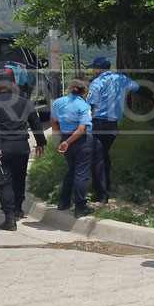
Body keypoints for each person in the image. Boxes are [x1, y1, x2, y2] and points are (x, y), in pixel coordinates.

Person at [0, 71, 46, 231]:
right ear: (13, 86)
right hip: (21, 148)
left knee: (4, 182)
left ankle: (9, 219)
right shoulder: (24, 102)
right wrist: (41, 143)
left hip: (1, 149)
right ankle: (18, 210)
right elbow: (36, 124)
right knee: (19, 179)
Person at [86, 56, 140, 201]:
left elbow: (90, 105)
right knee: (104, 156)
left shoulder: (97, 83)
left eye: (93, 68)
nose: (92, 71)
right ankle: (105, 187)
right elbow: (138, 88)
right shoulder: (121, 78)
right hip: (112, 126)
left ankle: (101, 194)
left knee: (96, 158)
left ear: (98, 68)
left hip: (98, 124)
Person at [49, 79, 96, 218]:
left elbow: (52, 121)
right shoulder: (84, 106)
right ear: (84, 91)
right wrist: (68, 142)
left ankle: (63, 201)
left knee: (72, 170)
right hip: (81, 141)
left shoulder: (58, 102)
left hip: (66, 138)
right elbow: (82, 129)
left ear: (69, 89)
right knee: (80, 174)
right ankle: (80, 207)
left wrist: (62, 136)